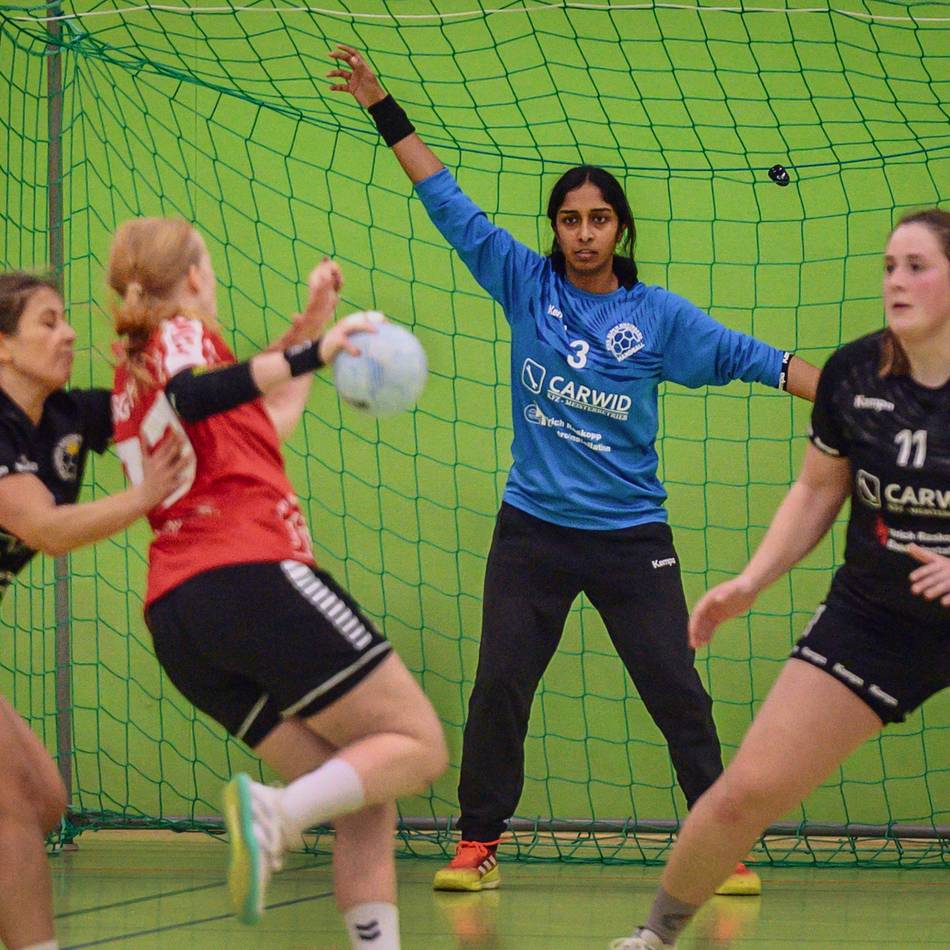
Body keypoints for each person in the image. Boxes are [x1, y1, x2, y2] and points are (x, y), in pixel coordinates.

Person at [328, 45, 821, 898]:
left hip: (633, 540)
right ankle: (478, 842)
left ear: (619, 229)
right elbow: (446, 202)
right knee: (500, 690)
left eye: (598, 219)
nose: (583, 232)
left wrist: (864, 400)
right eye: (569, 219)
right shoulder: (525, 283)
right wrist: (382, 104)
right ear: (553, 228)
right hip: (533, 534)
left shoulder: (657, 316)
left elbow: (762, 361)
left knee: (677, 690)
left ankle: (719, 846)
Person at [612, 208, 950, 949]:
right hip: (876, 618)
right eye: (890, 265)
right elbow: (818, 492)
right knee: (746, 792)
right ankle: (657, 936)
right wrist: (749, 583)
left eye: (917, 266)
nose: (896, 280)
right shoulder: (855, 375)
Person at [106, 218, 447, 950]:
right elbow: (201, 394)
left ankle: (316, 857)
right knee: (417, 744)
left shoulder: (134, 375)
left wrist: (312, 324)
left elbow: (265, 414)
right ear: (195, 275)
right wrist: (312, 348)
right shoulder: (178, 340)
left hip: (179, 619)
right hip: (249, 578)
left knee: (365, 795)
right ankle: (277, 814)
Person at [0, 271, 186, 950]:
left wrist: (296, 350)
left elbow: (162, 409)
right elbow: (43, 528)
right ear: (2, 346)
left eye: (67, 320)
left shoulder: (67, 416)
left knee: (44, 803)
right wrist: (146, 496)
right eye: (47, 322)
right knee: (12, 808)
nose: (70, 331)